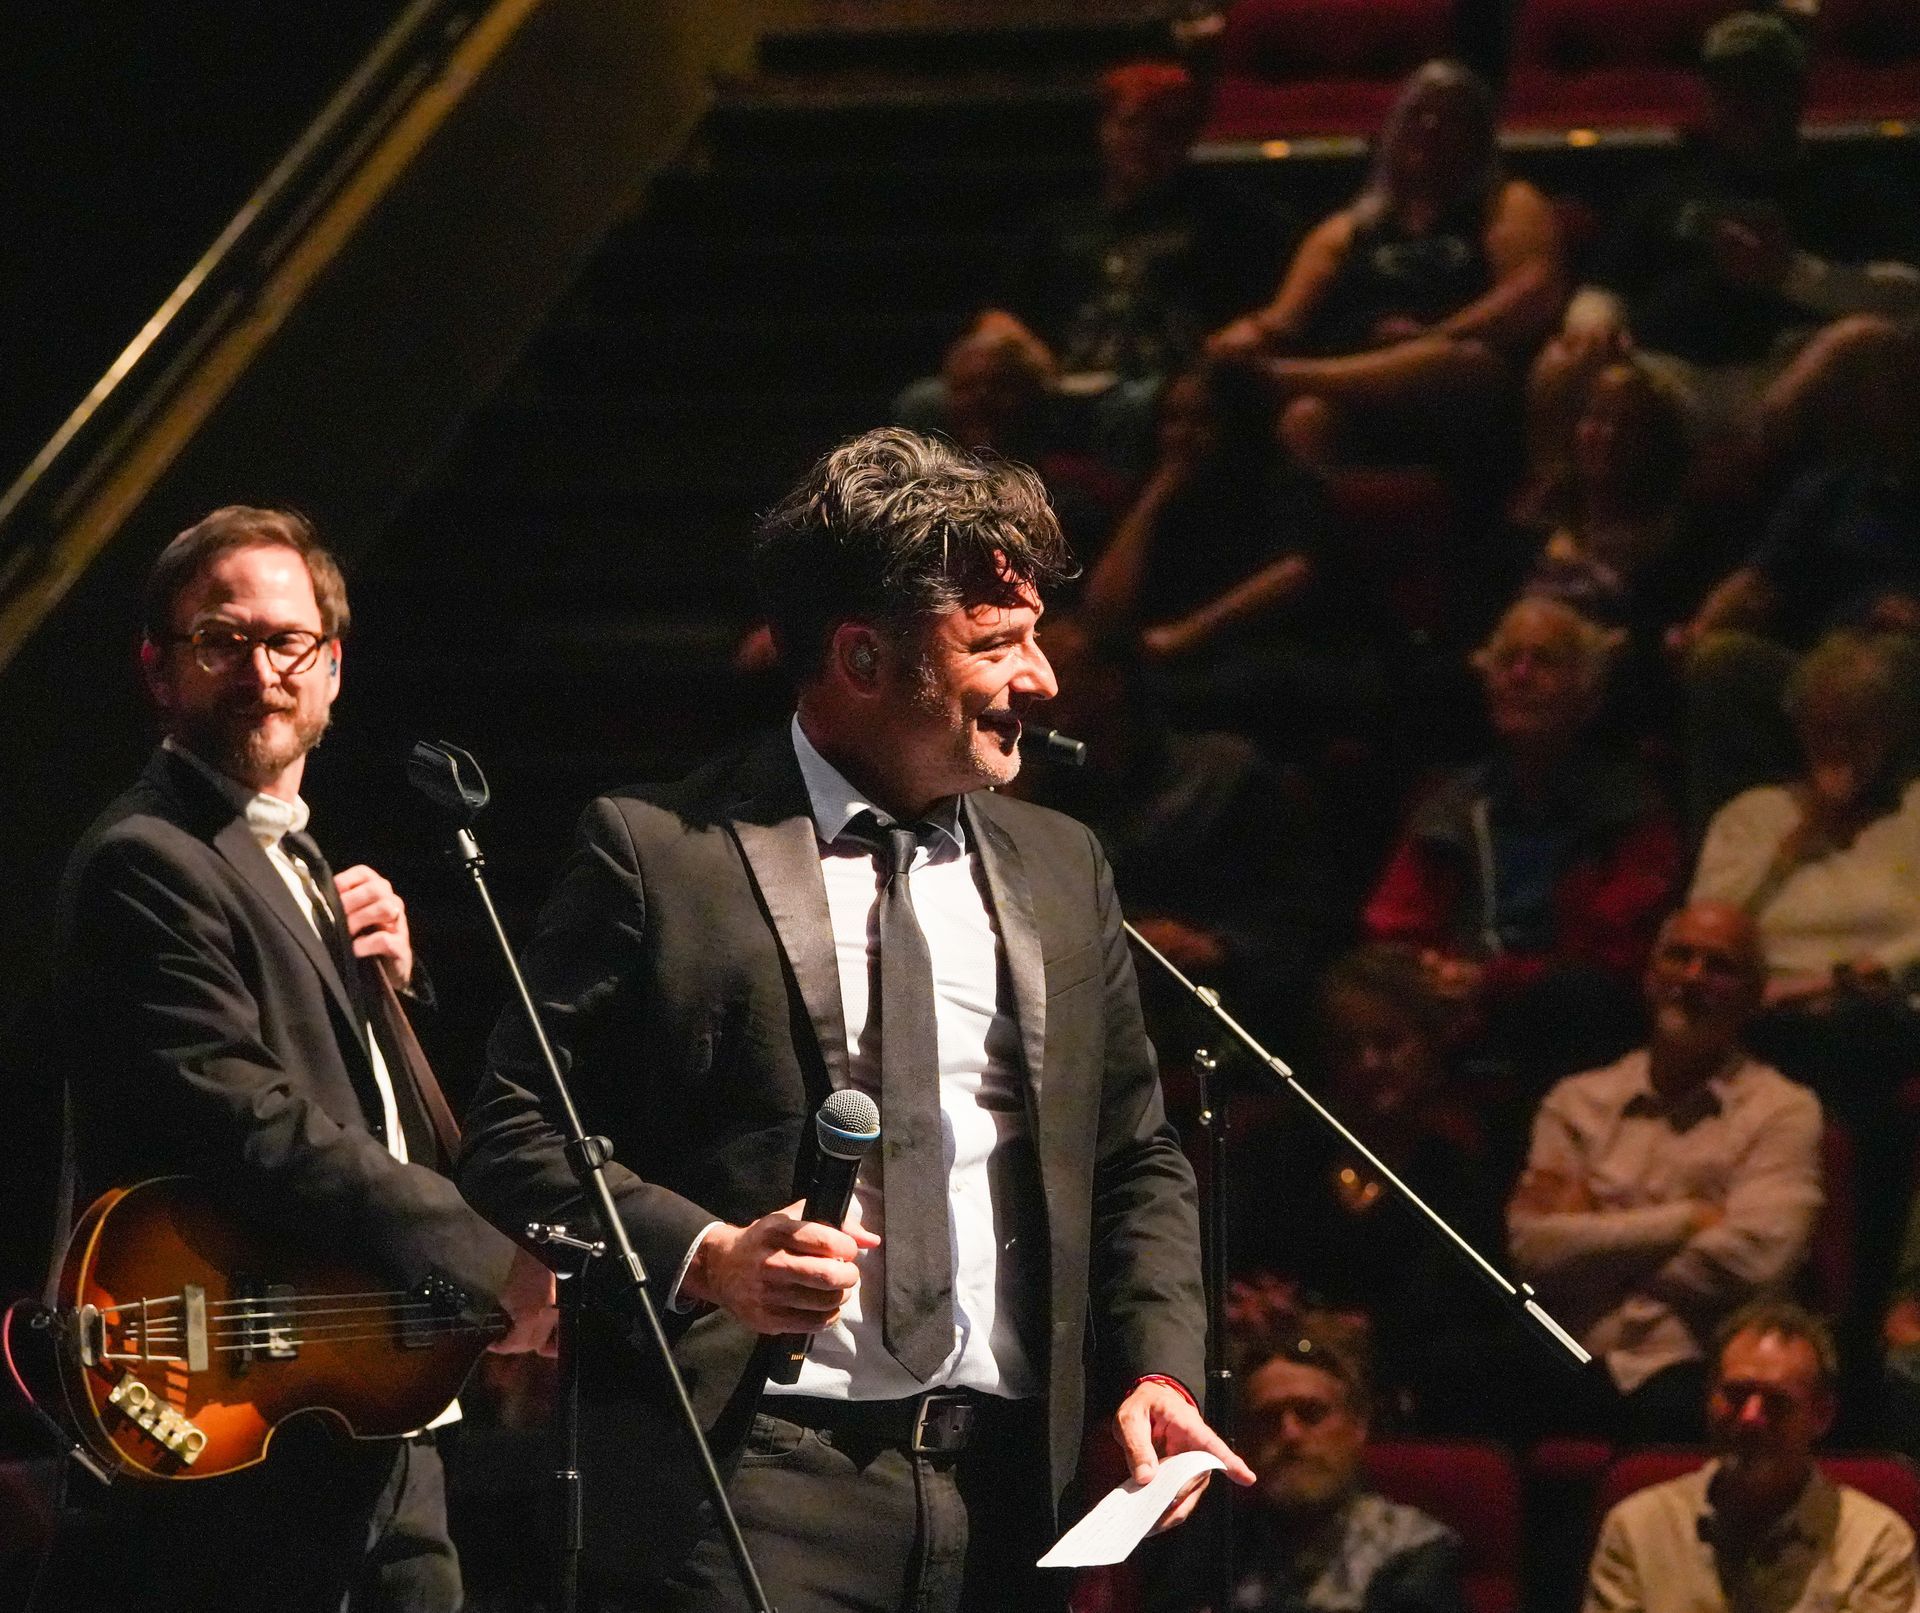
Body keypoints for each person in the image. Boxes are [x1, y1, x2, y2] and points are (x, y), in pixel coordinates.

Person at [458, 427, 1252, 1612]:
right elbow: (516, 1136)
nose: (1041, 677)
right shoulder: (659, 852)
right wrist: (710, 1256)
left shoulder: (1063, 862)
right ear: (863, 657)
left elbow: (1134, 1154)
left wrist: (1155, 1364)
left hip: (1004, 1492)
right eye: (997, 643)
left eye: (1033, 633)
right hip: (750, 1484)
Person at [28, 507, 557, 1613]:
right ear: (158, 670)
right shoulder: (149, 856)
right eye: (220, 640)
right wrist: (481, 1252)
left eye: (287, 642)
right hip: (247, 1409)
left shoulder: (301, 859)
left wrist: (393, 989)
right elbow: (246, 1118)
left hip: (361, 1399)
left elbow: (351, 1103)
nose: (259, 668)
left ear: (332, 670)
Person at [1540, 11, 1920, 460]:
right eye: (1727, 89)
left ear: (1795, 94)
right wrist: (1594, 321)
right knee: (1562, 362)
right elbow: (1604, 284)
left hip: (1790, 376)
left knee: (1864, 339)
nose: (1742, 104)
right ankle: (1558, 515)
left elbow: (1905, 298)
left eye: (1759, 88)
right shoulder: (1672, 189)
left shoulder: (1843, 188)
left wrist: (1791, 273)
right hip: (1670, 380)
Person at [1509, 903, 1822, 1441]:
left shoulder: (1784, 1110)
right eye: (1680, 957)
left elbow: (1757, 1266)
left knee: (1686, 1406)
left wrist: (1596, 1232)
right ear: (1651, 976)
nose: (1693, 977)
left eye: (1718, 966)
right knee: (1467, 1374)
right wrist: (1685, 1221)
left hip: (1697, 1361)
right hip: (1572, 1352)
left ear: (1752, 996)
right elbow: (1532, 1251)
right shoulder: (1576, 1101)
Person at [896, 60, 1292, 473]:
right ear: (1104, 128)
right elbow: (1001, 311)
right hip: (1054, 384)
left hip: (1157, 385)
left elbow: (1271, 309)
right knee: (924, 403)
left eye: (1164, 128)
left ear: (1188, 137)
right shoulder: (1061, 224)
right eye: (1132, 124)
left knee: (1148, 410)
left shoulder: (1230, 219)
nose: (1145, 141)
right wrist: (1019, 349)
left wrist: (1239, 339)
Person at [1363, 597, 1683, 1089]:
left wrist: (1493, 981)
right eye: (1507, 661)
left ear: (1589, 693)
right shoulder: (1450, 801)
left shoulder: (1630, 810)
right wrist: (1424, 966)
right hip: (1449, 1005)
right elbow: (1395, 920)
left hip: (1563, 1013)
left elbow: (1617, 955)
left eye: (1544, 661)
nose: (1520, 675)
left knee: (1581, 996)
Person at [1209, 59, 1564, 471]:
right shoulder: (1348, 227)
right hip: (1357, 377)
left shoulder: (1506, 203)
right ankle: (1308, 534)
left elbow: (1533, 294)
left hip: (1455, 381)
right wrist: (1240, 339)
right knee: (1305, 419)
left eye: (1450, 118)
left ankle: (1283, 379)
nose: (1431, 127)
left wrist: (1434, 334)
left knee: (1460, 361)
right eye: (1419, 113)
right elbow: (1283, 318)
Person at [1584, 1300, 1916, 1613]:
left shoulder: (1876, 1543)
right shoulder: (1636, 1528)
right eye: (1735, 1396)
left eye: (1776, 1402)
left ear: (1822, 1415)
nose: (1750, 1418)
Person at [1148, 1301, 1467, 1613]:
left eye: (1311, 1413)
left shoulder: (1411, 1548)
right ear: (1243, 1440)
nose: (1290, 1434)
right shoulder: (1212, 1549)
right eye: (1268, 1418)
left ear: (1358, 1425)